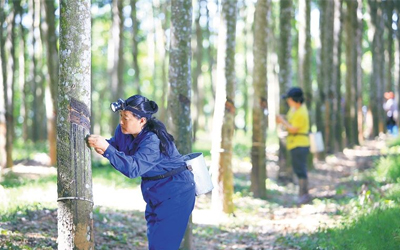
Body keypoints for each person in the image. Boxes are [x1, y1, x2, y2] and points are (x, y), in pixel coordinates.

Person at [87, 95, 196, 250]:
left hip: (177, 192)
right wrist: (104, 145)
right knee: (156, 242)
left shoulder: (152, 140)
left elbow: (134, 168)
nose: (121, 122)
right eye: (121, 116)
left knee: (163, 245)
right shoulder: (123, 131)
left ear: (142, 121)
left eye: (126, 118)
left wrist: (106, 149)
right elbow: (116, 146)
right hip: (155, 192)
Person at [276, 87, 311, 205]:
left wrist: (282, 121)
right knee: (298, 168)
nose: (288, 101)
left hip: (300, 144)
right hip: (294, 143)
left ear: (295, 99)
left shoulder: (302, 112)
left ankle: (304, 194)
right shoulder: (294, 110)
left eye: (289, 99)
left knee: (300, 169)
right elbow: (290, 122)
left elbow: (294, 129)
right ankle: (303, 194)